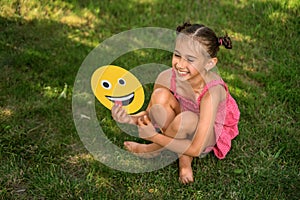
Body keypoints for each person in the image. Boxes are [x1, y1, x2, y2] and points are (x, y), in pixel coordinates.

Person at [111, 22, 240, 184]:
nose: (180, 65)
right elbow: (150, 113)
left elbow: (197, 148)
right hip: (183, 118)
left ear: (209, 63)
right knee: (160, 96)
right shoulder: (167, 76)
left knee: (186, 120)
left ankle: (161, 154)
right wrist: (128, 118)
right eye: (177, 55)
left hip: (209, 129)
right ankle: (175, 148)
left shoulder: (212, 93)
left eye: (190, 59)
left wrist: (154, 137)